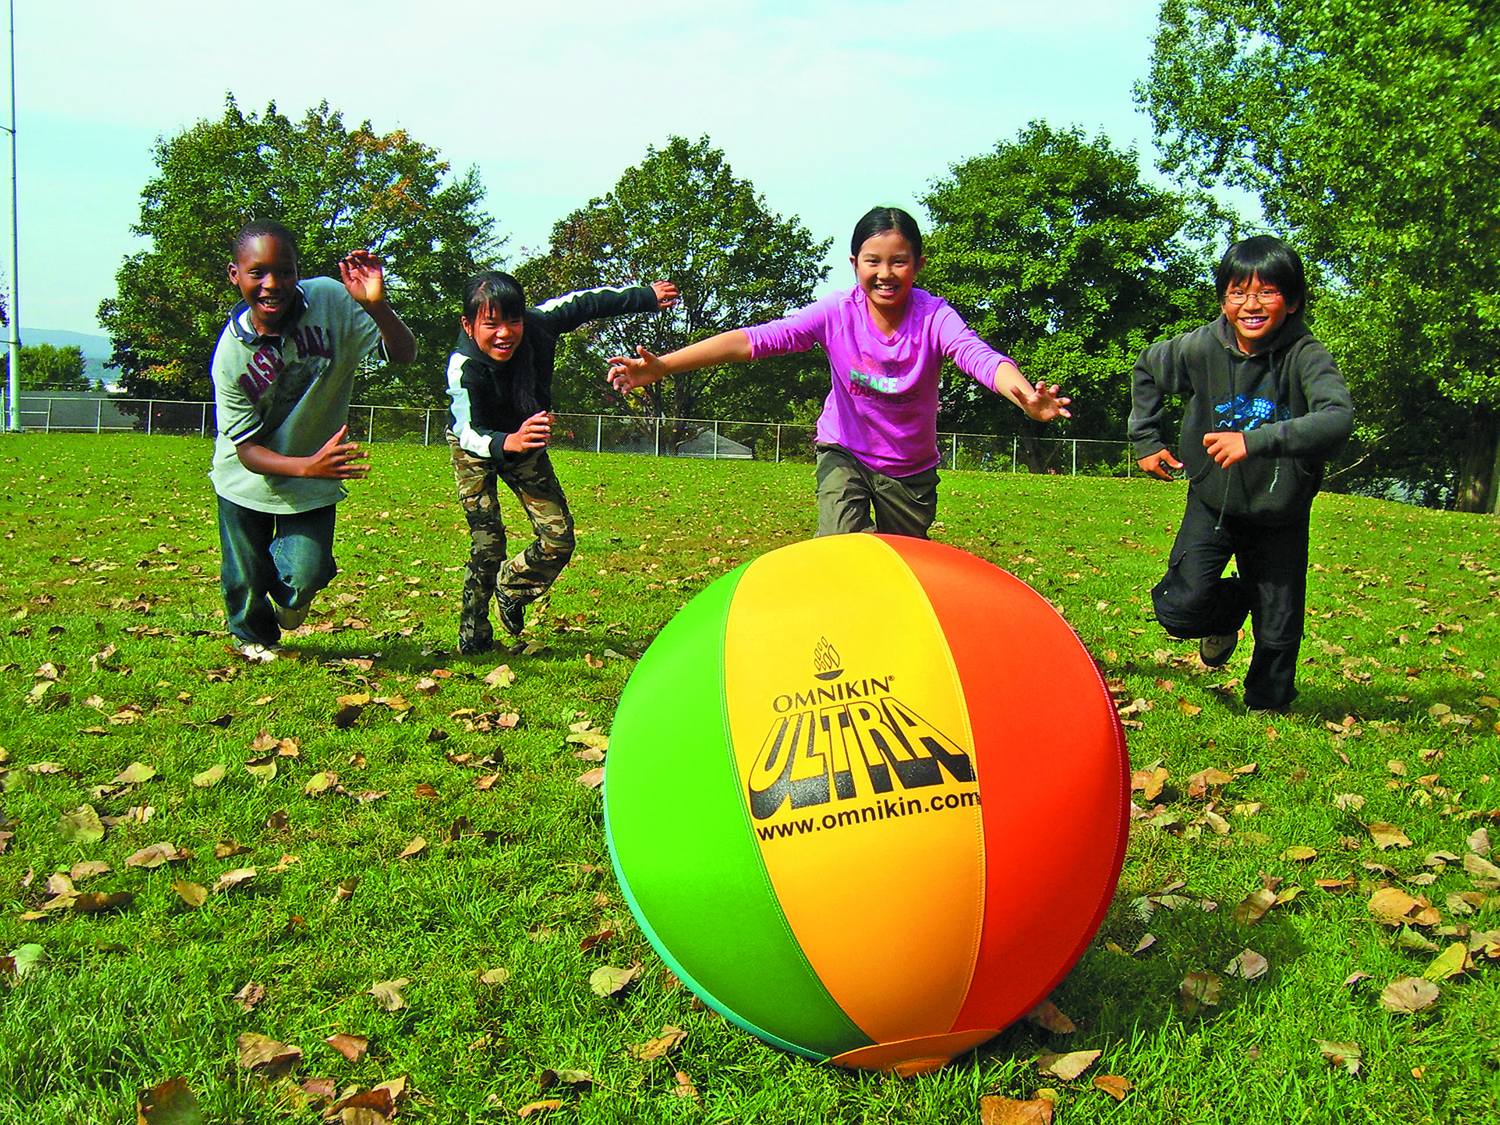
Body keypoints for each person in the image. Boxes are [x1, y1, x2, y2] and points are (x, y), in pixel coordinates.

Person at [608, 206, 1070, 538]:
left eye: (899, 261)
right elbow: (752, 341)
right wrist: (663, 366)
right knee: (839, 546)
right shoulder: (836, 313)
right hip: (844, 450)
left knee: (901, 564)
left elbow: (978, 356)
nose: (885, 273)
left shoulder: (933, 316)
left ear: (919, 266)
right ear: (854, 264)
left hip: (909, 469)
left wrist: (1024, 394)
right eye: (873, 261)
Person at [1129, 234, 1353, 713]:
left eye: (1267, 292)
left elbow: (1337, 418)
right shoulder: (1199, 347)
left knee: (1279, 625)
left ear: (1290, 301)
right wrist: (1146, 441)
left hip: (1281, 510)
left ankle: (1268, 704)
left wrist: (1255, 440)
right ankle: (1232, 610)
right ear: (1224, 299)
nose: (1251, 304)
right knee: (1179, 607)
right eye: (1238, 292)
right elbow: (1147, 367)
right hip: (1214, 499)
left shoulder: (1305, 354)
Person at [210, 219, 418, 661]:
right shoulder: (230, 356)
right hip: (249, 476)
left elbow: (403, 355)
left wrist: (377, 306)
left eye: (284, 271)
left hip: (315, 468)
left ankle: (290, 599)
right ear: (235, 275)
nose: (272, 284)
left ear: (298, 270)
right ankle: (252, 639)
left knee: (305, 573)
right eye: (257, 273)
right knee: (245, 575)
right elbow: (246, 451)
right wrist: (308, 465)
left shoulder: (328, 298)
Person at [446, 271, 679, 654]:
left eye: (514, 320)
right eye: (492, 324)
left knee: (558, 539)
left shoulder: (539, 324)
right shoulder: (463, 366)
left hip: (527, 441)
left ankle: (513, 587)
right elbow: (468, 430)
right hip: (477, 447)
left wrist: (645, 296)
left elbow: (587, 302)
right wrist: (512, 440)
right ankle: (474, 635)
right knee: (488, 544)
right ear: (468, 325)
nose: (505, 333)